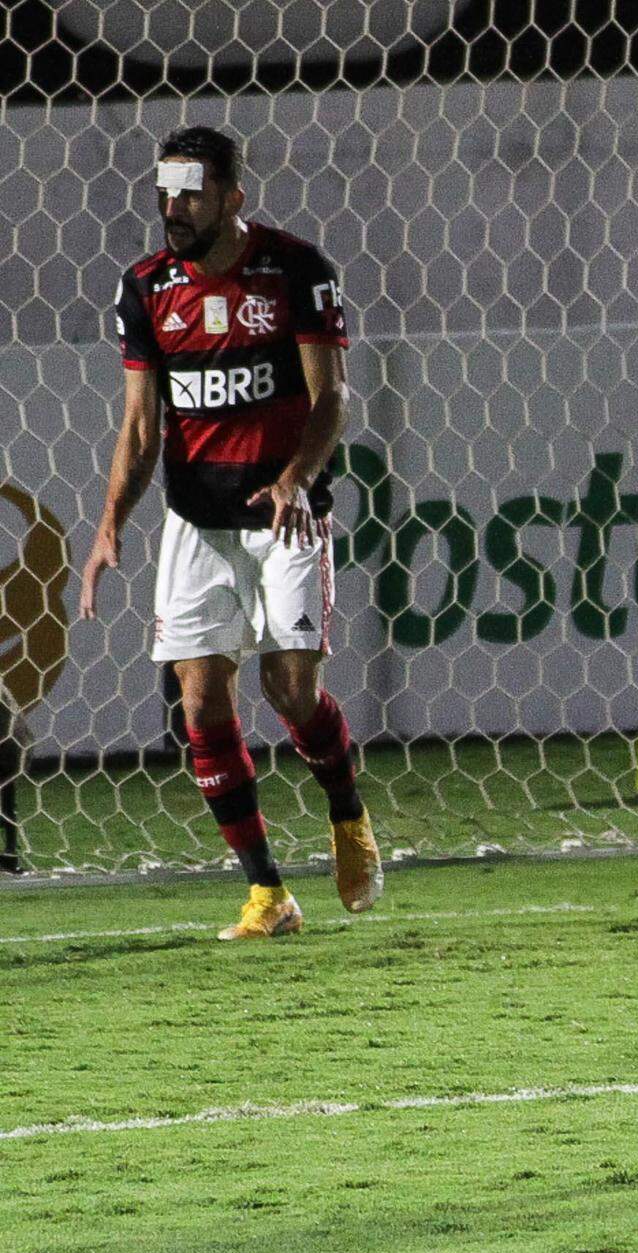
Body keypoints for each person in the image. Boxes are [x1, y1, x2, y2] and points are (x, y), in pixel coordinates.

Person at [79, 125, 381, 938]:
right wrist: (109, 524)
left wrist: (295, 477)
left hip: (284, 517)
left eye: (190, 194)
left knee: (291, 689)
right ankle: (267, 892)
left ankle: (348, 816)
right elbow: (141, 427)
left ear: (232, 199)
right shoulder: (144, 288)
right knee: (201, 705)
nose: (172, 209)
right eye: (165, 193)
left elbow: (333, 400)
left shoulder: (295, 270)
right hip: (196, 523)